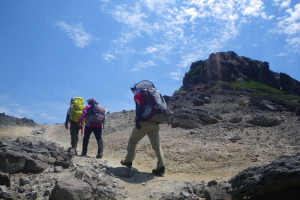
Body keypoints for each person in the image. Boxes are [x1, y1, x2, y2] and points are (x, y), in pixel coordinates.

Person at [121, 81, 165, 175]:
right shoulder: (155, 93)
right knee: (157, 146)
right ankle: (161, 166)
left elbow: (138, 105)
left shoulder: (139, 95)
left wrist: (137, 119)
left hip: (144, 122)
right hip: (155, 123)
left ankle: (128, 161)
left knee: (133, 141)